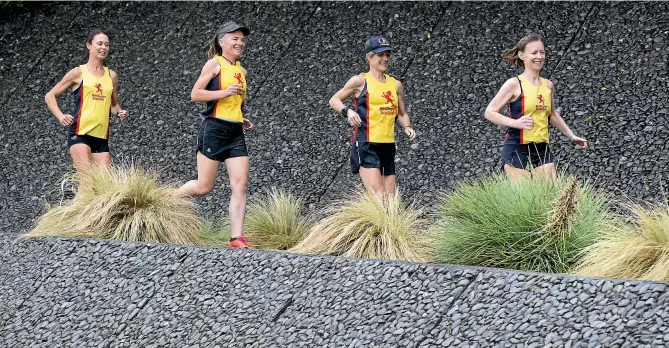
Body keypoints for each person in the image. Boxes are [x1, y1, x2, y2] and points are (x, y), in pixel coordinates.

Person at [176, 21, 254, 249]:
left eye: (242, 39)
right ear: (222, 42)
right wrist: (224, 92)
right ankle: (167, 199)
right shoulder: (214, 64)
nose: (240, 43)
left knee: (240, 184)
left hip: (235, 132)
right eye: (235, 39)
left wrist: (241, 117)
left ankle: (236, 238)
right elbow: (195, 94)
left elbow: (235, 102)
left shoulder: (242, 71)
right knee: (203, 187)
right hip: (214, 130)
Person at [484, 33, 588, 181]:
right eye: (534, 53)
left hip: (541, 148)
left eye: (542, 52)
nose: (539, 56)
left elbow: (551, 115)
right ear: (521, 55)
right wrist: (515, 123)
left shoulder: (548, 85)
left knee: (550, 195)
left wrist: (572, 136)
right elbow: (489, 112)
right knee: (524, 199)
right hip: (517, 147)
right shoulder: (514, 84)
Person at [329, 36, 416, 196]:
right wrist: (347, 111)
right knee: (379, 194)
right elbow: (334, 99)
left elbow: (402, 113)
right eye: (380, 55)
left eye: (387, 55)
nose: (385, 59)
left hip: (388, 145)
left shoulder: (395, 84)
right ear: (369, 57)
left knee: (390, 198)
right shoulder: (360, 81)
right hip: (366, 143)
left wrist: (407, 127)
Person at [45, 29, 128, 179]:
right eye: (100, 43)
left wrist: (120, 112)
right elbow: (50, 96)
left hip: (101, 137)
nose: (104, 47)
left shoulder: (112, 76)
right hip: (80, 134)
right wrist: (60, 115)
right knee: (88, 182)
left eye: (107, 45)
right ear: (89, 45)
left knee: (105, 185)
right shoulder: (78, 73)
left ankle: (75, 203)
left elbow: (114, 104)